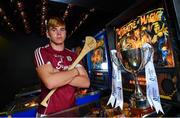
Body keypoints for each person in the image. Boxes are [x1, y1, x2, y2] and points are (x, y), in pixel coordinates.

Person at [34, 16, 90, 116]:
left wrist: (58, 74)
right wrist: (75, 72)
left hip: (71, 111)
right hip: (48, 113)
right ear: (48, 34)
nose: (59, 33)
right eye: (54, 30)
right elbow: (50, 82)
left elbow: (85, 83)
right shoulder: (42, 52)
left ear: (65, 32)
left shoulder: (73, 55)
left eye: (62, 29)